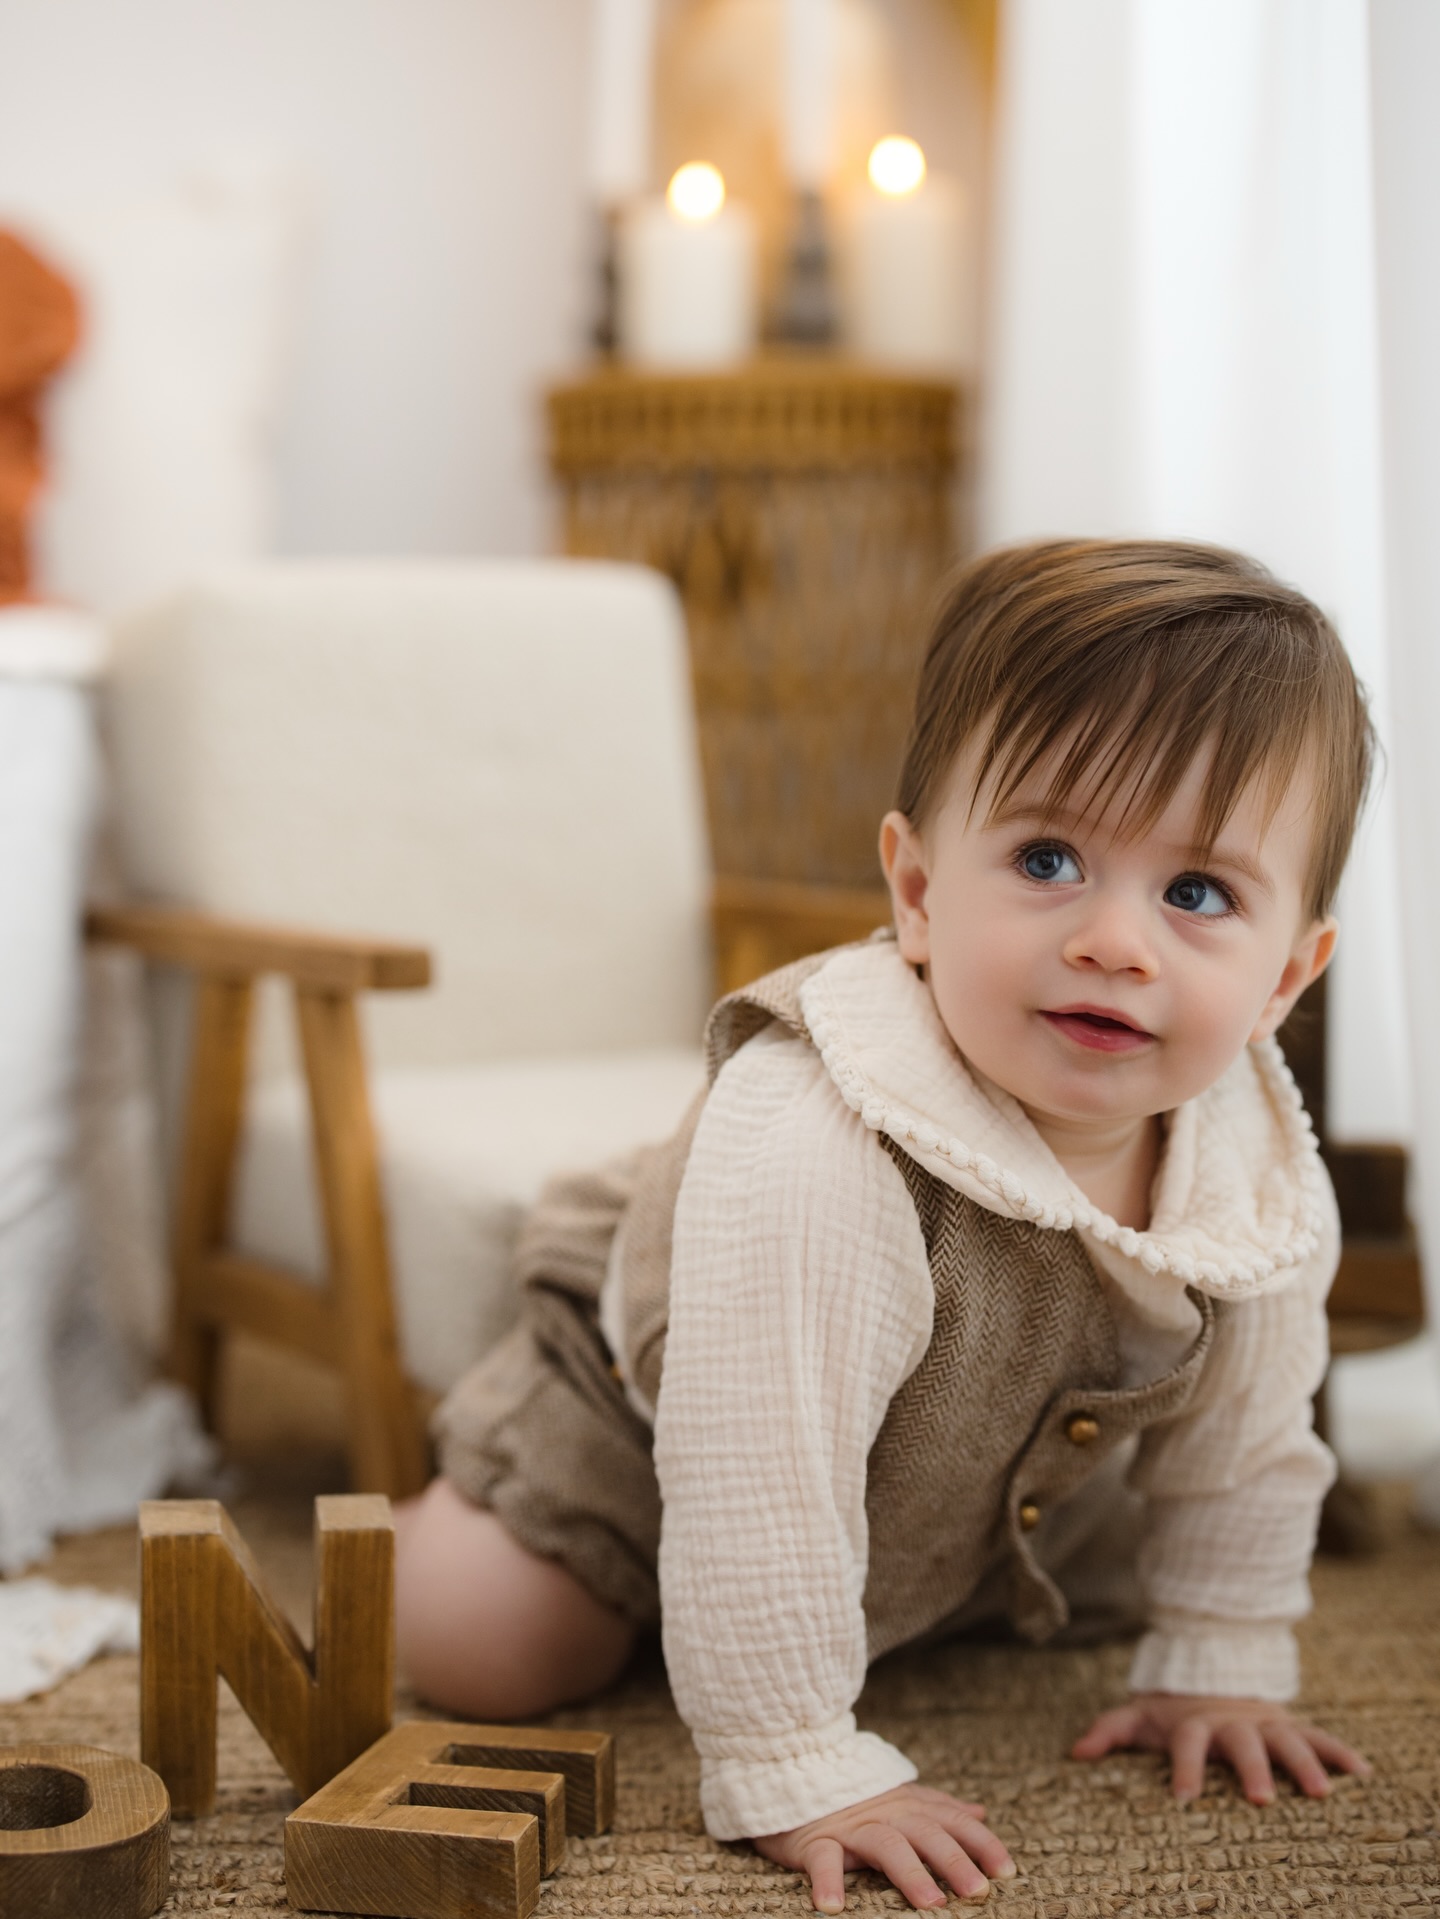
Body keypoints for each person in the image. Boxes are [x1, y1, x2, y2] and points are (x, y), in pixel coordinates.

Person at [394, 539, 1375, 1911]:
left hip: (1001, 1462)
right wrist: (799, 1755)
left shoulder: (1251, 1179)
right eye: (1047, 858)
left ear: (1288, 976)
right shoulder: (821, 1132)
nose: (1115, 942)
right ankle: (449, 1475)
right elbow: (759, 1462)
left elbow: (1248, 1438)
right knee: (481, 1645)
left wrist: (1219, 1653)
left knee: (1123, 1562)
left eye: (1197, 894)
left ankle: (922, 1584)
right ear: (918, 893)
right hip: (683, 1408)